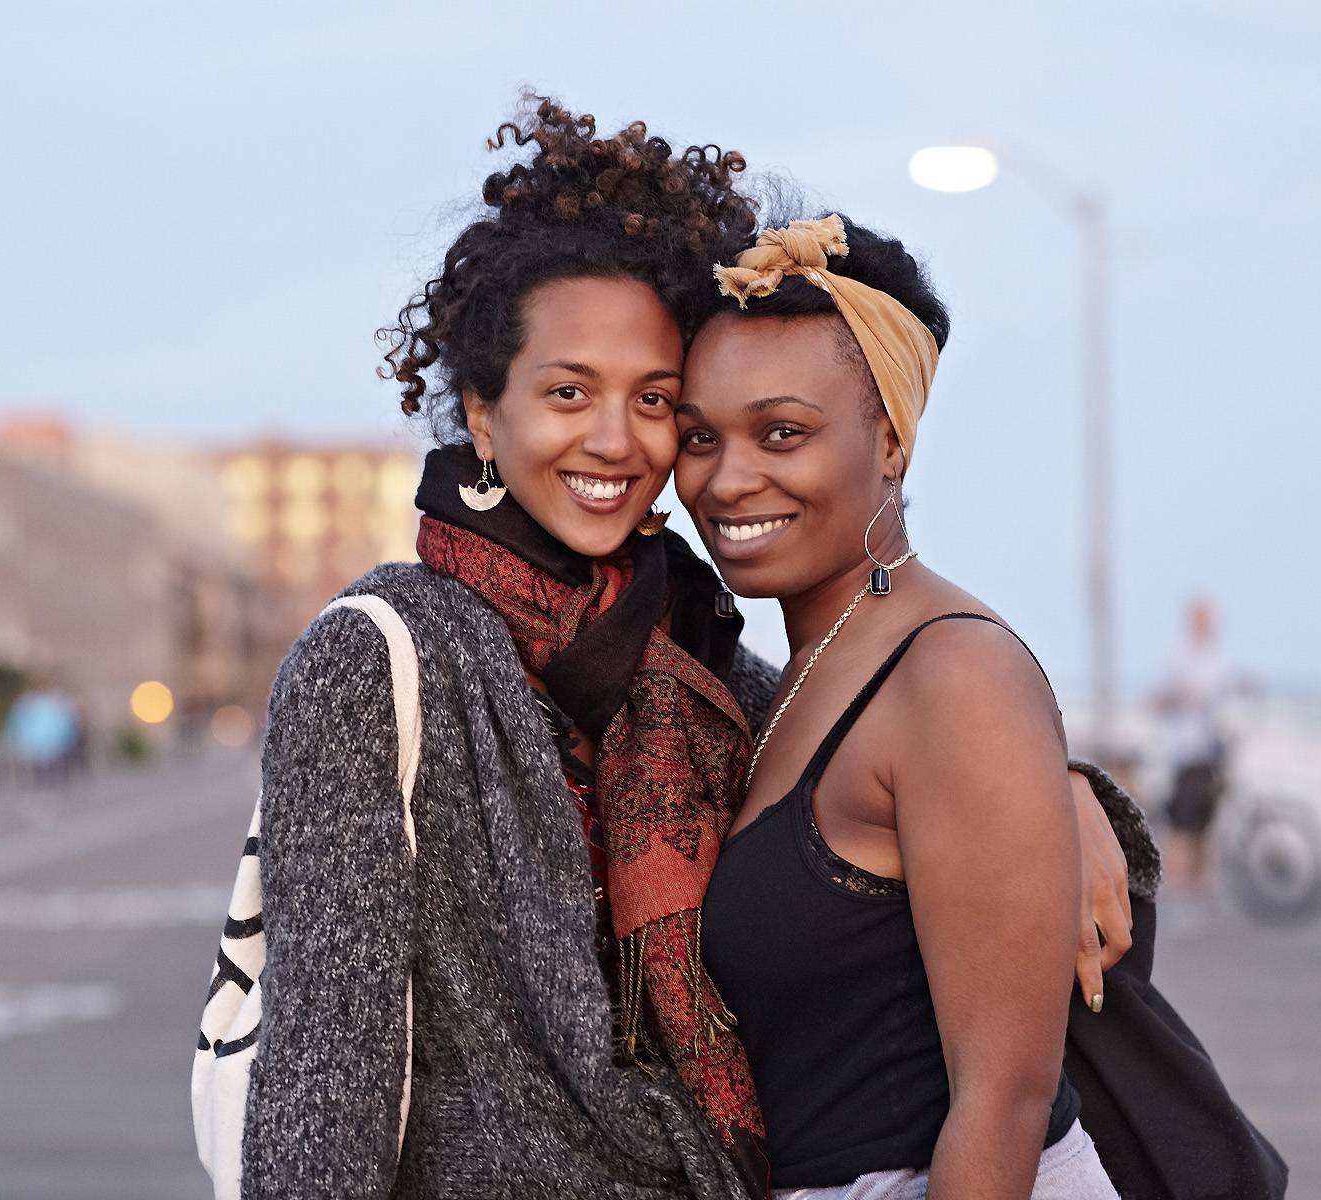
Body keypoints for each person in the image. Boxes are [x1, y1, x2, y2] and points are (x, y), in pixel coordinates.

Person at [233, 102, 1143, 1200]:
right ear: (481, 412)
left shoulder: (689, 662)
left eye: (656, 401)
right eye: (568, 392)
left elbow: (908, 783)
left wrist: (1058, 791)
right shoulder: (382, 662)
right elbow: (322, 1100)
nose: (617, 440)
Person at [675, 215, 1119, 1198]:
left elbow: (1002, 1100)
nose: (728, 479)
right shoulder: (802, 670)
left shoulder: (954, 671)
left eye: (782, 432)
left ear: (890, 442)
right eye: (700, 437)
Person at [1151, 595, 1232, 897]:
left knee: (1205, 829)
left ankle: (1198, 893)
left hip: (1211, 753)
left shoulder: (1218, 660)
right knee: (1182, 827)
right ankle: (1177, 890)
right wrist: (1180, 697)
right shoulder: (1178, 657)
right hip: (1183, 752)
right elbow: (1159, 701)